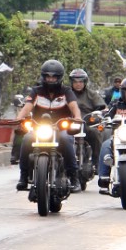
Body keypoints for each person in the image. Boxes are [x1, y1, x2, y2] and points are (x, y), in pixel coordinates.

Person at [15, 60, 81, 192]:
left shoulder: (66, 91)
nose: (50, 80)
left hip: (60, 128)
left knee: (67, 139)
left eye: (54, 77)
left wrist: (77, 117)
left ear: (59, 77)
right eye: (48, 77)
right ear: (43, 77)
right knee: (27, 139)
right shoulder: (36, 91)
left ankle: (74, 177)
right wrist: (19, 118)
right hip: (39, 128)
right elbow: (27, 107)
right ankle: (23, 176)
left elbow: (74, 106)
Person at [69, 68, 105, 175]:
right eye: (75, 82)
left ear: (85, 82)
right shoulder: (66, 93)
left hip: (86, 124)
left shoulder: (92, 94)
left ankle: (97, 163)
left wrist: (99, 113)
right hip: (68, 124)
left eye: (80, 81)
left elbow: (102, 108)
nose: (78, 84)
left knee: (96, 133)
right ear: (71, 82)